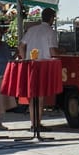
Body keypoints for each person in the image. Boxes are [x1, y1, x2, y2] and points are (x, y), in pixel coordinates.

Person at [18, 7, 59, 138]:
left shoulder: (31, 29)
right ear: (52, 18)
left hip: (30, 64)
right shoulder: (50, 32)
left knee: (32, 96)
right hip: (43, 65)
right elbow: (53, 52)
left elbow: (21, 46)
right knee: (40, 96)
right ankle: (37, 124)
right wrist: (61, 52)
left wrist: (25, 59)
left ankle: (33, 124)